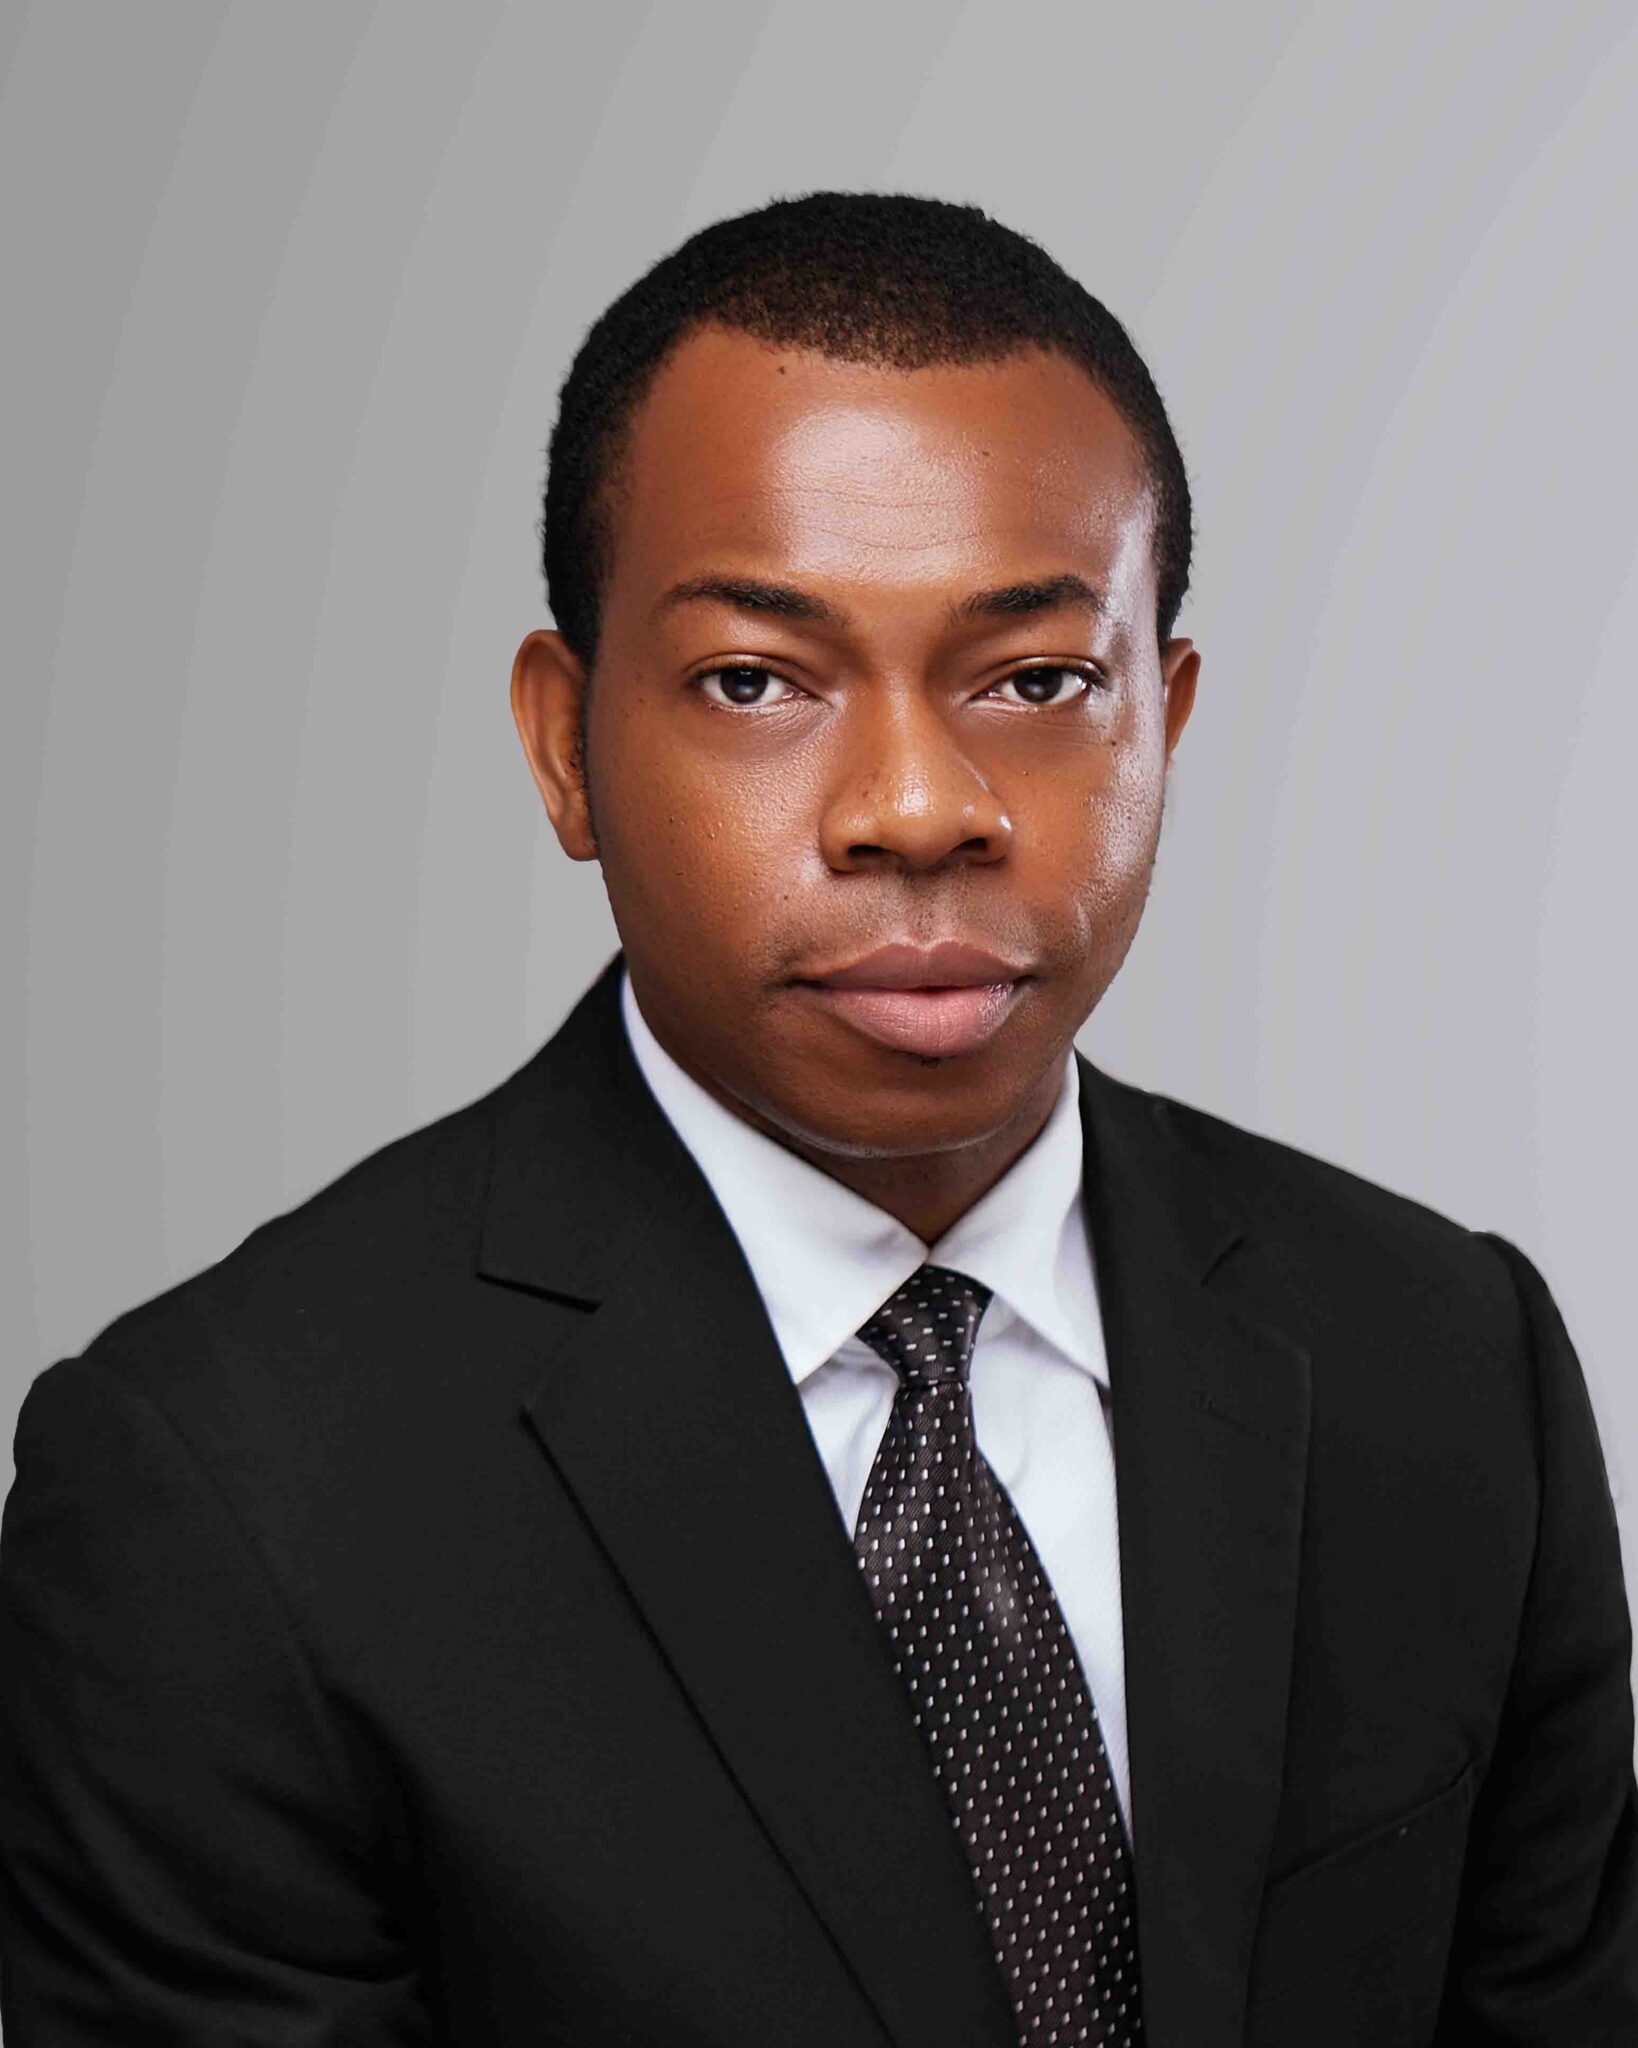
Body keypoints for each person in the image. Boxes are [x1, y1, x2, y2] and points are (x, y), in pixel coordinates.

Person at [1, 191, 1633, 2048]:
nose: (918, 808)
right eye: (755, 682)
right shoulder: (222, 1495)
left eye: (1037, 680)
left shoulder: (1448, 1363)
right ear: (563, 745)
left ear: (1164, 722)